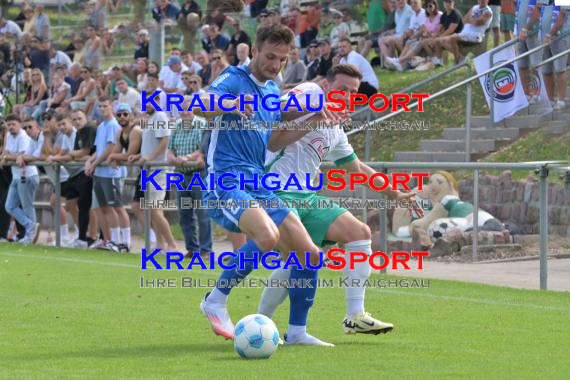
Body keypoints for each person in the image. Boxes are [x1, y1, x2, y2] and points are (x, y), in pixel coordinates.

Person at [197, 24, 345, 346]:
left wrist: (313, 119)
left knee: (309, 256)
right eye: (269, 57)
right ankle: (216, 299)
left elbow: (275, 141)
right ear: (253, 50)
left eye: (281, 59)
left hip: (258, 179)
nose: (275, 65)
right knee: (267, 236)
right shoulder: (234, 80)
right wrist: (228, 105)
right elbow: (199, 105)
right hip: (227, 177)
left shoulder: (270, 90)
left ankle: (297, 332)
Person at [258, 64, 416, 334]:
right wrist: (313, 113)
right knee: (302, 257)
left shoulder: (337, 129)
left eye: (353, 92)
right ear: (326, 85)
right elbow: (273, 113)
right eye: (342, 88)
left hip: (306, 196)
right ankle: (261, 321)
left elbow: (359, 170)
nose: (347, 95)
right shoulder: (309, 92)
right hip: (274, 190)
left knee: (359, 232)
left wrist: (397, 194)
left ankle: (355, 316)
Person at [107, 103, 157, 248]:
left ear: (131, 116)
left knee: (149, 207)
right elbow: (117, 151)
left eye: (125, 114)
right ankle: (152, 235)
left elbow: (128, 153)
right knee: (137, 205)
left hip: (152, 169)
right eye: (119, 114)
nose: (122, 117)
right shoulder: (120, 132)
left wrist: (113, 157)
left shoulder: (136, 131)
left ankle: (156, 238)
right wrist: (115, 156)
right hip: (143, 169)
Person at [167, 100, 212, 258]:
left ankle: (205, 249)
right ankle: (192, 249)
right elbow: (170, 148)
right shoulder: (177, 126)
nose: (185, 113)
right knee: (184, 215)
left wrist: (186, 157)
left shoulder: (201, 124)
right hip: (180, 174)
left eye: (188, 110)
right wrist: (173, 158)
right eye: (183, 110)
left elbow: (202, 149)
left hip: (197, 173)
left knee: (202, 213)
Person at [85, 97, 129, 252]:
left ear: (111, 107)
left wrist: (95, 163)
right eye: (100, 106)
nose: (102, 108)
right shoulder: (102, 126)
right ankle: (112, 240)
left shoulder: (113, 125)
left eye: (105, 106)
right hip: (101, 172)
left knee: (117, 206)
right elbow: (98, 150)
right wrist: (89, 162)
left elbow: (111, 148)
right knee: (105, 207)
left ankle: (125, 242)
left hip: (111, 173)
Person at [50, 109, 97, 248]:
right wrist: (58, 157)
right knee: (70, 204)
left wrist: (58, 158)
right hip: (74, 174)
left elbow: (81, 154)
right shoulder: (67, 136)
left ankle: (92, 236)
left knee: (88, 206)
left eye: (64, 124)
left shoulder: (82, 131)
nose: (62, 127)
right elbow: (67, 153)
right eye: (59, 125)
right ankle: (81, 234)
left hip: (84, 171)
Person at [1, 114, 40, 244]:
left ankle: (30, 236)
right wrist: (7, 156)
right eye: (9, 124)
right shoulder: (8, 135)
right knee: (9, 206)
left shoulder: (23, 136)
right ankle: (31, 225)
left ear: (19, 124)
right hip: (16, 176)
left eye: (13, 124)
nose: (11, 127)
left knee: (27, 206)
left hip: (27, 176)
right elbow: (6, 153)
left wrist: (7, 157)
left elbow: (23, 155)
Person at [437, 0, 493, 64]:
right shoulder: (474, 7)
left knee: (452, 38)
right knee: (442, 41)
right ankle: (461, 57)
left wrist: (471, 19)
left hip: (475, 35)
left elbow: (477, 22)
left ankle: (457, 60)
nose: (482, 0)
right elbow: (464, 20)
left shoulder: (488, 12)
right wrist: (472, 19)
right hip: (464, 33)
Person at [422, 0, 464, 67]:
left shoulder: (455, 14)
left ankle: (460, 57)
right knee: (425, 41)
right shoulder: (444, 15)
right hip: (448, 36)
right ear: (444, 3)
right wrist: (433, 37)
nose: (448, 4)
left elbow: (451, 30)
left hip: (457, 36)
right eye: (446, 2)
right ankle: (438, 61)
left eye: (450, 2)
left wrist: (438, 37)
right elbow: (439, 28)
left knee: (440, 40)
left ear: (453, 3)